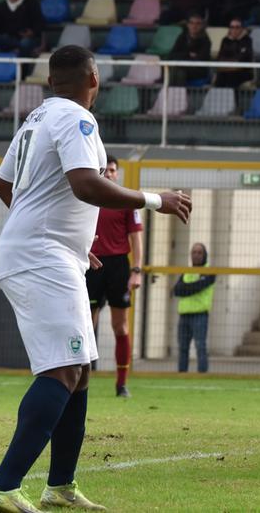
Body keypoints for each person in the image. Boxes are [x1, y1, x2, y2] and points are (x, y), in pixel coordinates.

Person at [0, 45, 189, 513]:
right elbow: (85, 183)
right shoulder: (78, 119)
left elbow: (2, 186)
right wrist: (155, 199)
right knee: (63, 369)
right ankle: (2, 487)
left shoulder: (34, 119)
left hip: (43, 252)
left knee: (80, 369)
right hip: (42, 257)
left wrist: (61, 234)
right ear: (92, 78)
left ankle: (60, 487)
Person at [85, 156, 143, 399]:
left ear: (117, 173)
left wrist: (137, 270)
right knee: (86, 325)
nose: (109, 174)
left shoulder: (126, 200)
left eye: (112, 170)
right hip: (91, 264)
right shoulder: (87, 199)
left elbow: (136, 237)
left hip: (119, 265)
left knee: (120, 326)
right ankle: (80, 379)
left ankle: (121, 384)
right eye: (105, 170)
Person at [173, 243, 214, 374]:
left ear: (205, 255)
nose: (196, 255)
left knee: (200, 346)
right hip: (184, 315)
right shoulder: (187, 271)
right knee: (182, 348)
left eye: (199, 252)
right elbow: (177, 290)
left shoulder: (209, 271)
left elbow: (199, 286)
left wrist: (186, 288)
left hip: (199, 315)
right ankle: (182, 374)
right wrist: (190, 287)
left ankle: (202, 375)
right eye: (194, 252)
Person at [169, 15, 212, 86]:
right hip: (181, 67)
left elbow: (200, 59)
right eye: (191, 23)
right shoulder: (182, 37)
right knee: (175, 70)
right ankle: (171, 95)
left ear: (202, 26)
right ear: (188, 25)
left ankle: (178, 96)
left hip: (197, 71)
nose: (194, 26)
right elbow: (172, 55)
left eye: (198, 23)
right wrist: (188, 54)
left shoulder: (206, 41)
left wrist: (182, 56)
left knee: (179, 72)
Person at [214, 19, 254, 89]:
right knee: (220, 77)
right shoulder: (225, 40)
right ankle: (219, 99)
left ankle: (233, 99)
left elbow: (242, 59)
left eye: (237, 27)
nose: (234, 29)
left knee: (231, 77)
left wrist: (229, 63)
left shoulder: (247, 40)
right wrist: (232, 63)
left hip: (242, 72)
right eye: (232, 27)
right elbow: (220, 58)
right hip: (226, 71)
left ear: (242, 28)